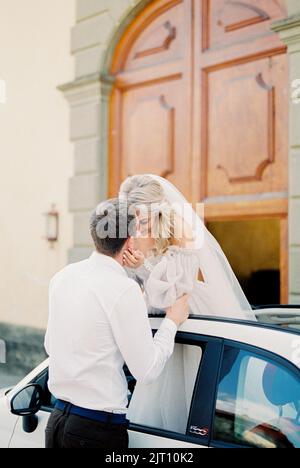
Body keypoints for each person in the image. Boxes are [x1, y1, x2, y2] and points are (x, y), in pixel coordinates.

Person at [44, 198, 189, 449]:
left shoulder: (62, 277)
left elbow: (52, 344)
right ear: (130, 241)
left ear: (95, 236)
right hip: (96, 431)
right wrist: (172, 322)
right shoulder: (124, 289)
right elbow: (146, 370)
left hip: (55, 422)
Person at [118, 174, 257, 432]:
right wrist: (137, 270)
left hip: (187, 311)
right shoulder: (135, 232)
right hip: (161, 317)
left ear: (156, 210)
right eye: (132, 218)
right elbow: (144, 285)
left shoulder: (180, 230)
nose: (136, 226)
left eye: (141, 219)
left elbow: (175, 294)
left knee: (182, 396)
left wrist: (144, 268)